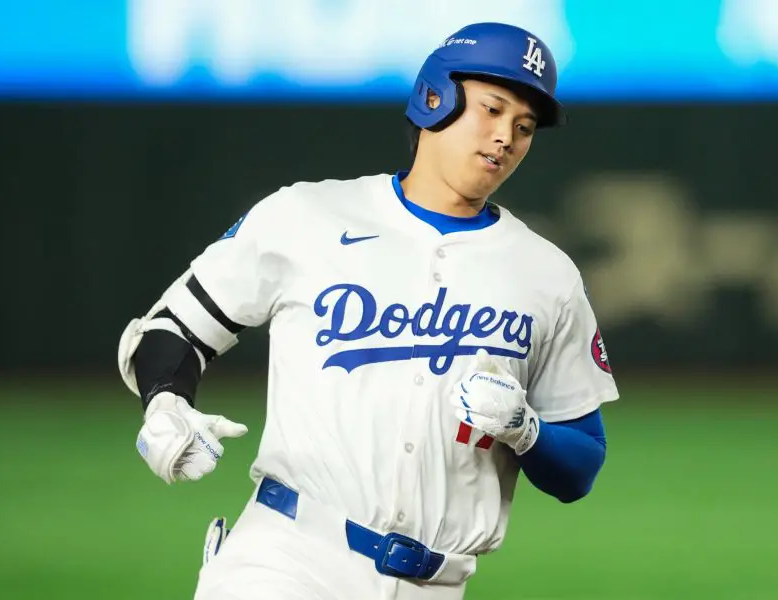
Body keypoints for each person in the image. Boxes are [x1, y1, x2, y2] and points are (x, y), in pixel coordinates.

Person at [117, 21, 619, 600]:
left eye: (524, 126)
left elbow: (582, 464)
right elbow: (174, 329)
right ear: (435, 97)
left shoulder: (546, 273)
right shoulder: (307, 216)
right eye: (491, 108)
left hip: (437, 582)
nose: (505, 135)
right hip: (286, 559)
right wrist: (166, 403)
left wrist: (527, 431)